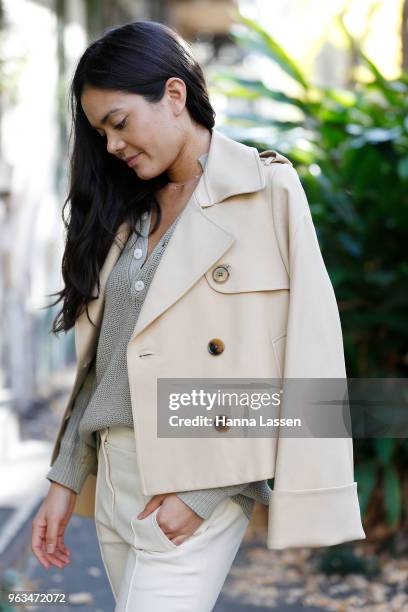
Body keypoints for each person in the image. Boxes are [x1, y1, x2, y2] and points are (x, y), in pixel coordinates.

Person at [31, 19, 365, 612]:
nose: (110, 145)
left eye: (119, 123)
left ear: (175, 95)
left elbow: (306, 354)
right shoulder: (128, 214)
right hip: (114, 476)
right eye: (99, 132)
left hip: (195, 478)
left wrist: (210, 489)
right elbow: (107, 363)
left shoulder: (267, 190)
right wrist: (65, 476)